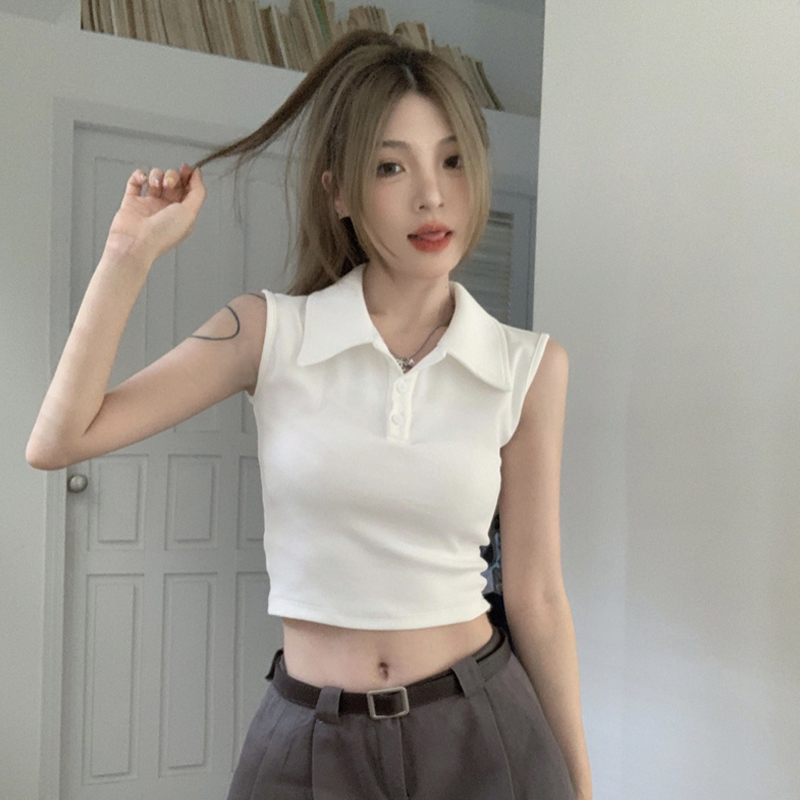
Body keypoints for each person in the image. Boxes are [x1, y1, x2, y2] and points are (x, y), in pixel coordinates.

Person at [27, 29, 591, 800]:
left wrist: (580, 786)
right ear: (338, 192)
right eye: (391, 166)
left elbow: (538, 598)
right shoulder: (268, 334)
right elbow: (58, 440)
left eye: (453, 160)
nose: (432, 195)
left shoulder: (529, 367)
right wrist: (128, 254)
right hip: (311, 741)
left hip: (482, 732)